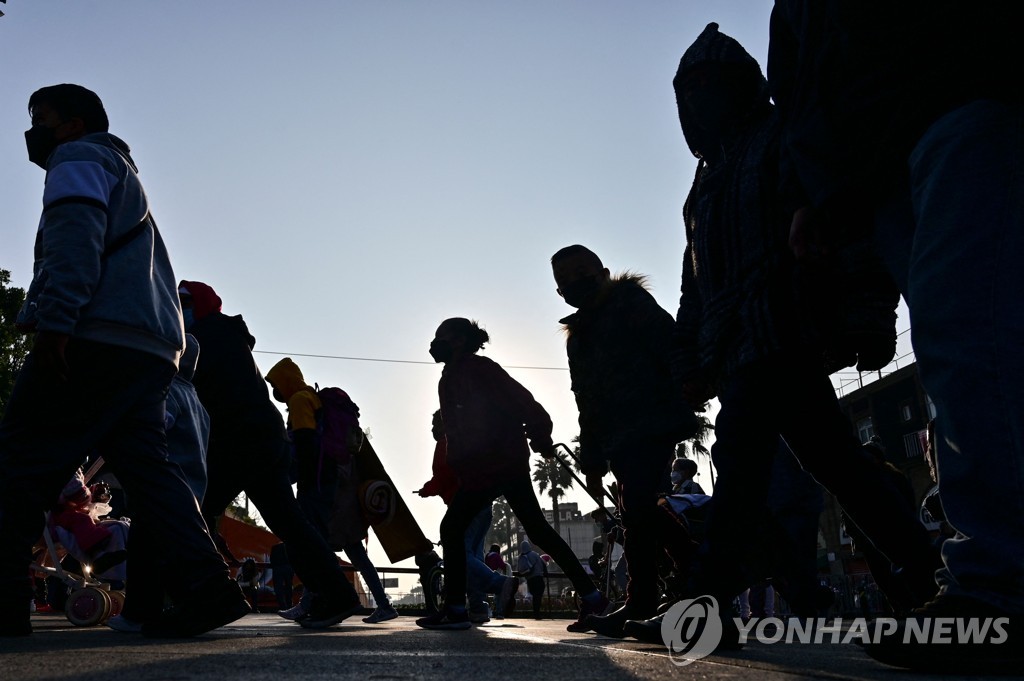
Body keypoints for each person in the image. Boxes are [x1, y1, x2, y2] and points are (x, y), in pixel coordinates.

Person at [623, 24, 938, 648]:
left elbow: (843, 223)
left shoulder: (786, 139)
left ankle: (702, 605)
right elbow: (695, 285)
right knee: (836, 464)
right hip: (739, 348)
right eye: (690, 96)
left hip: (786, 329)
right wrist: (691, 356)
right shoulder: (703, 185)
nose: (699, 107)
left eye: (710, 90)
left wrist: (870, 315)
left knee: (745, 470)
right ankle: (925, 567)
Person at [768, 2, 1023, 672]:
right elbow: (798, 94)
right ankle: (992, 579)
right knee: (961, 342)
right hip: (875, 164)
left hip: (955, 97)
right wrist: (809, 192)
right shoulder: (793, 12)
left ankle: (1001, 584)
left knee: (974, 338)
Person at [0, 84, 247, 638]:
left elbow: (73, 238)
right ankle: (210, 589)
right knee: (152, 476)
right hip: (150, 350)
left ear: (72, 123)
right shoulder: (125, 175)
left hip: (94, 339)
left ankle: (4, 598)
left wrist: (57, 321)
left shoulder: (79, 157)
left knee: (17, 460)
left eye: (42, 118)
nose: (33, 131)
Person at [177, 281, 362, 629]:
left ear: (201, 305)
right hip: (262, 441)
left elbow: (201, 394)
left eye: (184, 302)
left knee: (193, 513)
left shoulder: (206, 337)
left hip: (238, 443)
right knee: (289, 524)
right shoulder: (229, 336)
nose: (178, 309)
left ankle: (208, 594)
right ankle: (336, 594)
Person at [415, 317, 606, 631]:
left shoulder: (478, 369)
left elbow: (522, 401)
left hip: (495, 463)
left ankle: (456, 609)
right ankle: (593, 597)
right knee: (537, 530)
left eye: (442, 336)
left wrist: (540, 433)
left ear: (460, 340)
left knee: (452, 528)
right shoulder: (450, 377)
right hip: (491, 465)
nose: (436, 343)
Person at [551, 244, 699, 637]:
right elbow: (584, 399)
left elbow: (670, 344)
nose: (573, 285)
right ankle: (696, 576)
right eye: (563, 282)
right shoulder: (578, 337)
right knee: (641, 509)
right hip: (617, 436)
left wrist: (691, 385)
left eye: (579, 273)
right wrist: (593, 460)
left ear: (601, 271)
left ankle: (643, 598)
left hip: (652, 420)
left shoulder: (630, 303)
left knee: (637, 510)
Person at [265, 357, 398, 624]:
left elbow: (304, 444)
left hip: (318, 484)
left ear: (286, 381)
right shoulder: (312, 399)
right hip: (331, 483)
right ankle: (315, 600)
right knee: (329, 545)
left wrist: (296, 475)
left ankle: (328, 600)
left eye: (276, 385)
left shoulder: (300, 400)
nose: (275, 392)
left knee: (313, 544)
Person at [415, 410, 517, 622]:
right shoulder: (465, 439)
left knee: (459, 553)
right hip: (482, 505)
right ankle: (478, 606)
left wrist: (427, 489)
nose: (433, 428)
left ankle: (499, 584)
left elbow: (443, 475)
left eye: (435, 423)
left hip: (464, 504)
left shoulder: (445, 442)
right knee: (474, 556)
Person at [517, 541, 547, 619]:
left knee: (534, 596)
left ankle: (535, 613)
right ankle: (537, 613)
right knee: (538, 596)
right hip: (538, 578)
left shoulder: (520, 557)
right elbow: (543, 564)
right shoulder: (534, 554)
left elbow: (520, 570)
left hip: (530, 579)